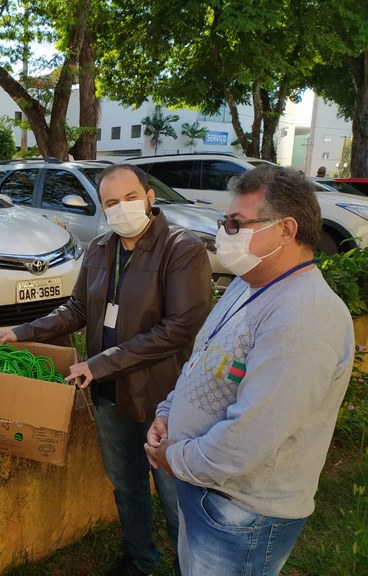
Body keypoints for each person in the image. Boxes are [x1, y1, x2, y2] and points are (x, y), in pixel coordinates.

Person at [0, 164, 212, 576]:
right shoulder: (100, 248)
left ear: (149, 198)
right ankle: (140, 559)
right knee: (126, 485)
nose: (121, 208)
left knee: (173, 493)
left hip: (160, 397)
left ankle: (194, 566)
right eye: (111, 202)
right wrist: (22, 331)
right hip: (109, 394)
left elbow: (179, 329)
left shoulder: (181, 249)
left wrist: (100, 363)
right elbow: (78, 309)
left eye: (130, 198)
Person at [145, 165, 354, 576]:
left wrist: (175, 457)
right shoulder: (249, 282)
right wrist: (169, 412)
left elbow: (250, 439)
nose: (225, 232)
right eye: (226, 221)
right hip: (209, 487)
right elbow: (203, 359)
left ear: (286, 230)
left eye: (236, 223)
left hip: (241, 513)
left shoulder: (303, 317)